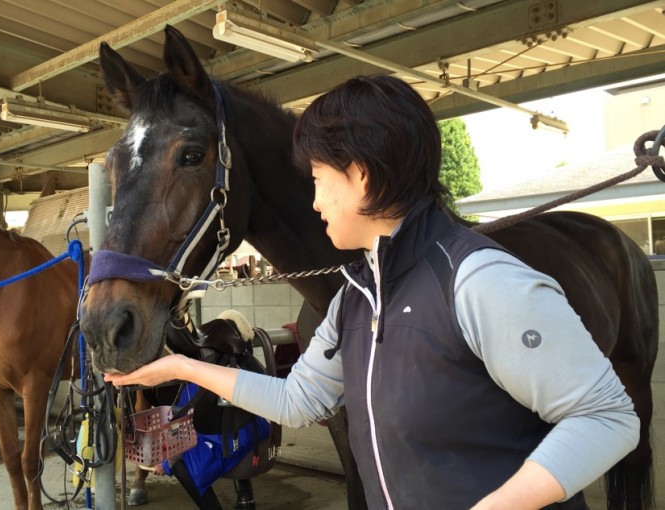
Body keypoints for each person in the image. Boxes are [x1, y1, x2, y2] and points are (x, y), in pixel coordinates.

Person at [104, 75, 639, 509]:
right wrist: (179, 368)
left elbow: (608, 417)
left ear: (360, 176)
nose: (313, 202)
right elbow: (299, 401)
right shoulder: (355, 296)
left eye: (318, 179)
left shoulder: (480, 281)